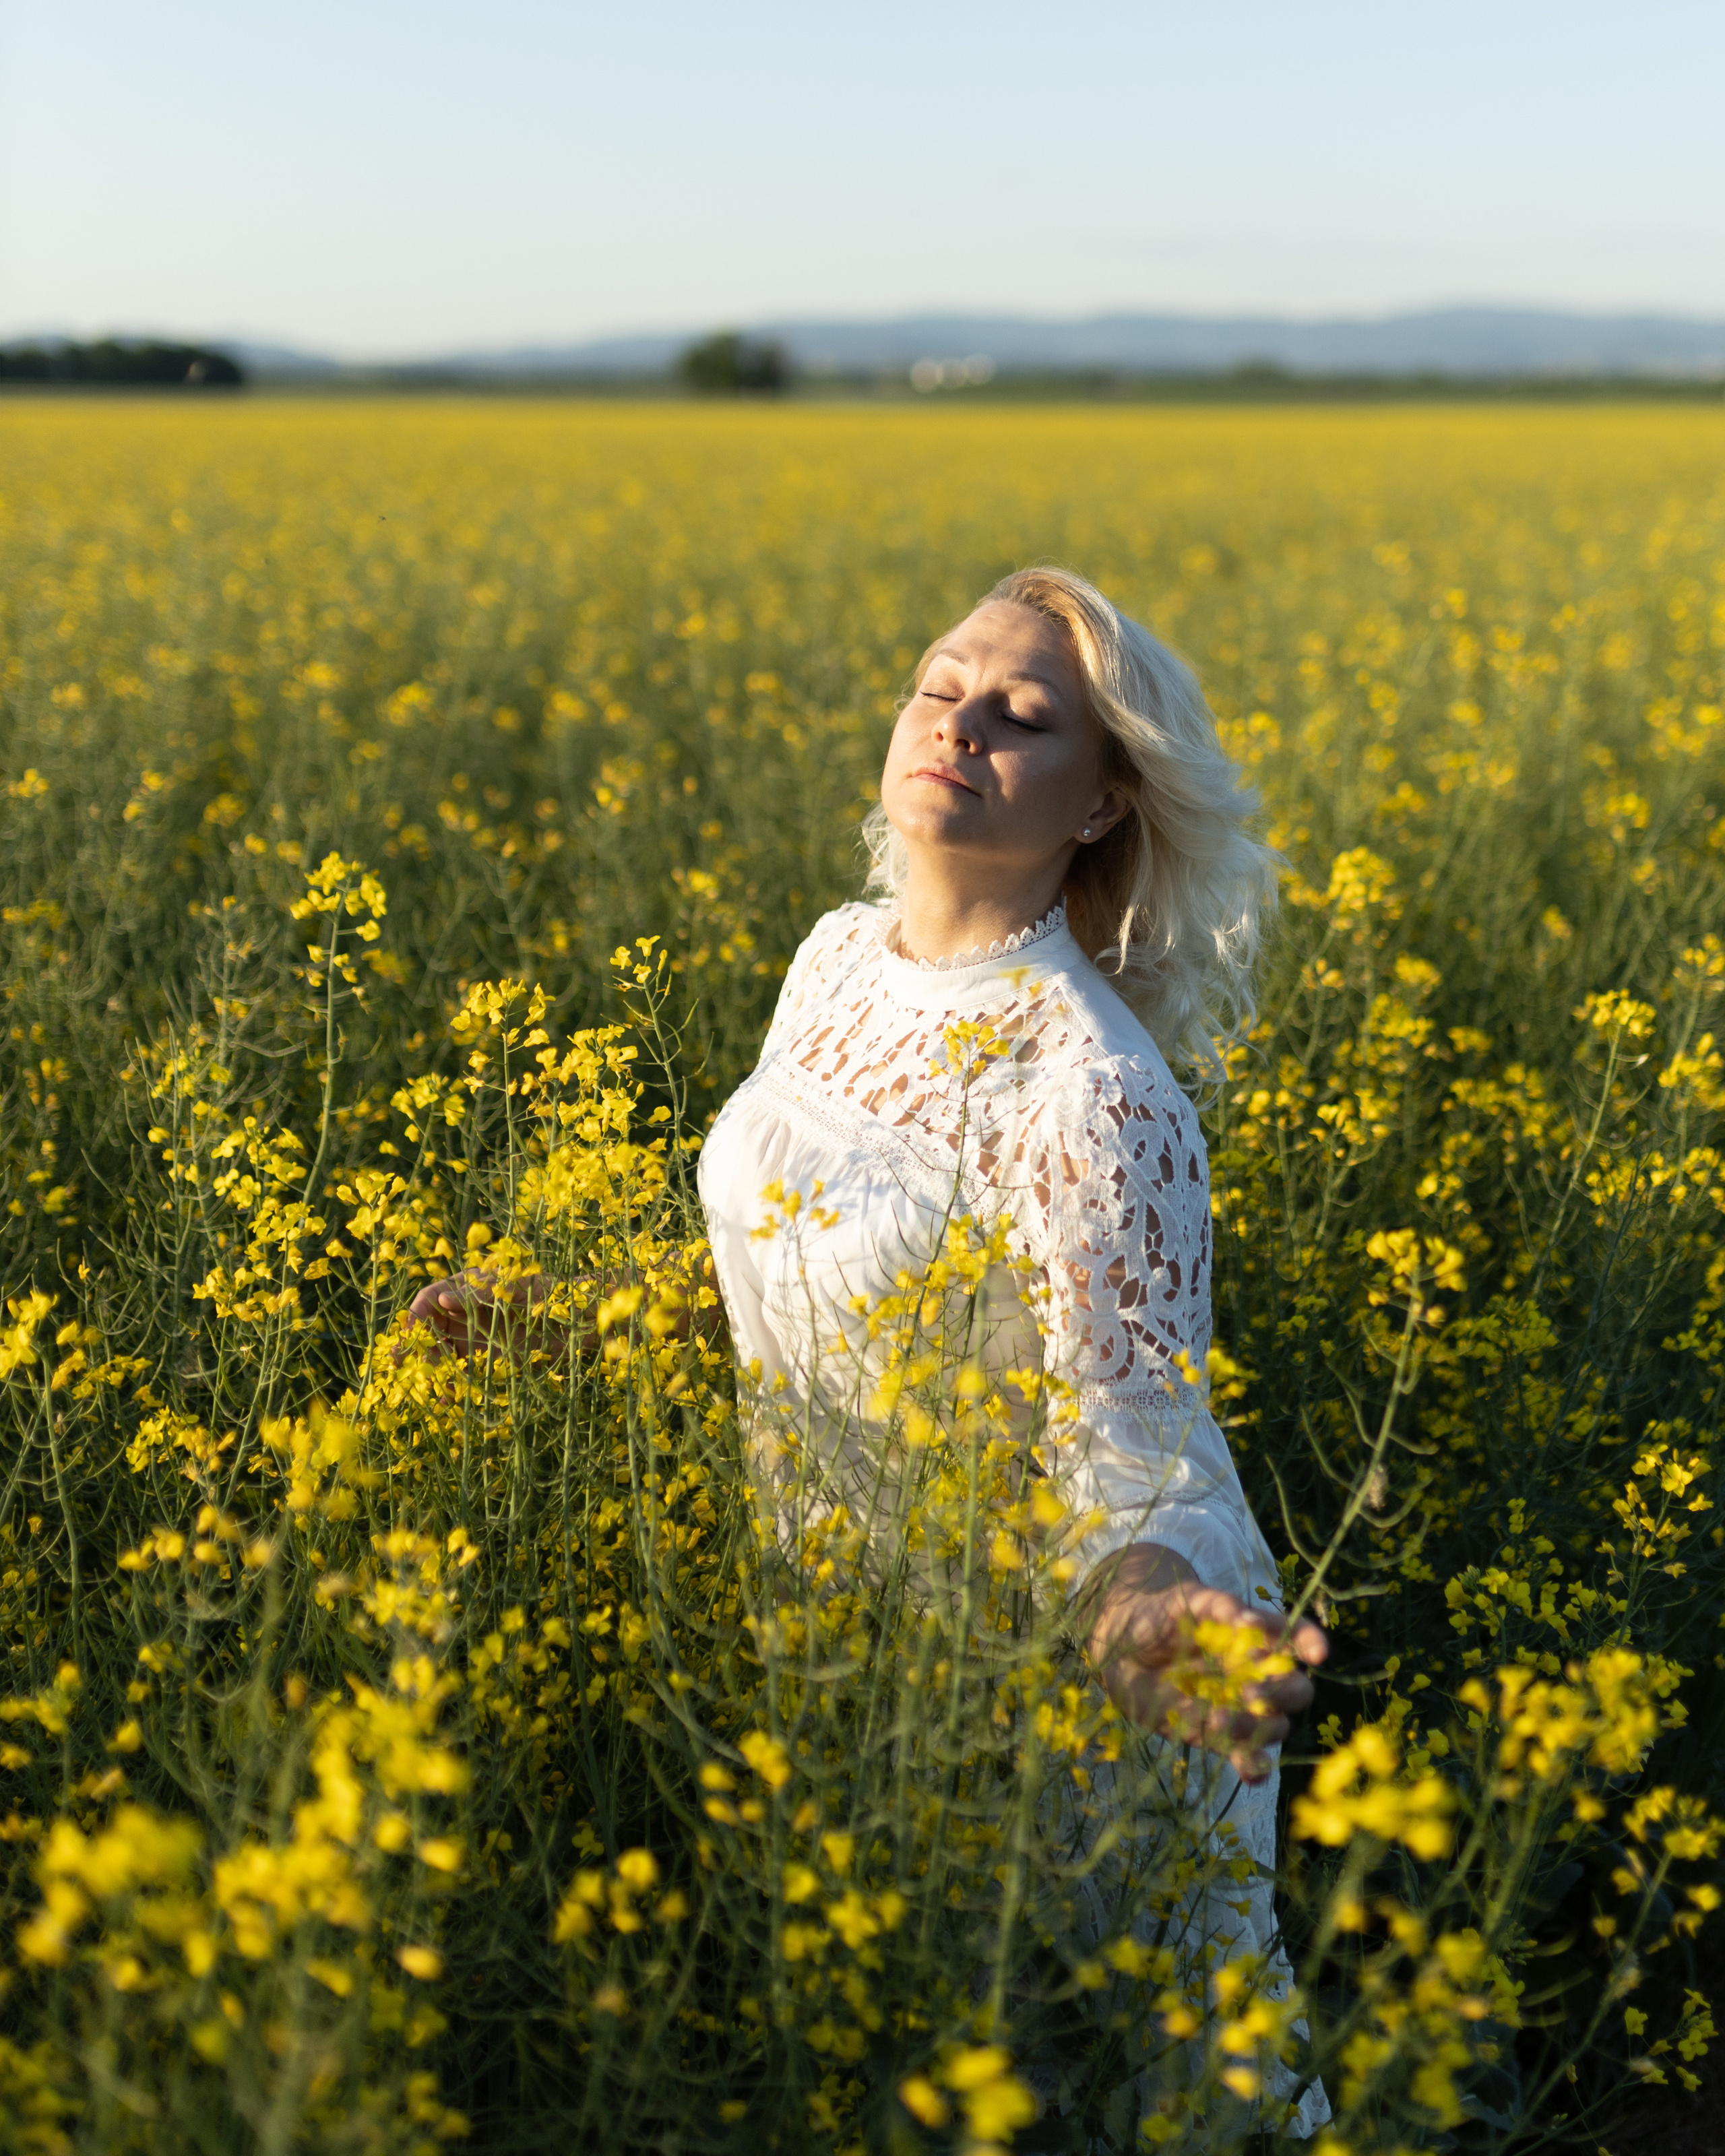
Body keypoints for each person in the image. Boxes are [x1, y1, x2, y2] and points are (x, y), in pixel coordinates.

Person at [408, 565, 1329, 2129]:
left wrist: (1143, 1616)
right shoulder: (839, 957)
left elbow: (1137, 1441)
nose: (958, 722)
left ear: (1103, 804)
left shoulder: (1090, 1093)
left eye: (1022, 717)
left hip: (1007, 1698)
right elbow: (781, 1252)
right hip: (833, 1649)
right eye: (938, 684)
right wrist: (572, 1315)